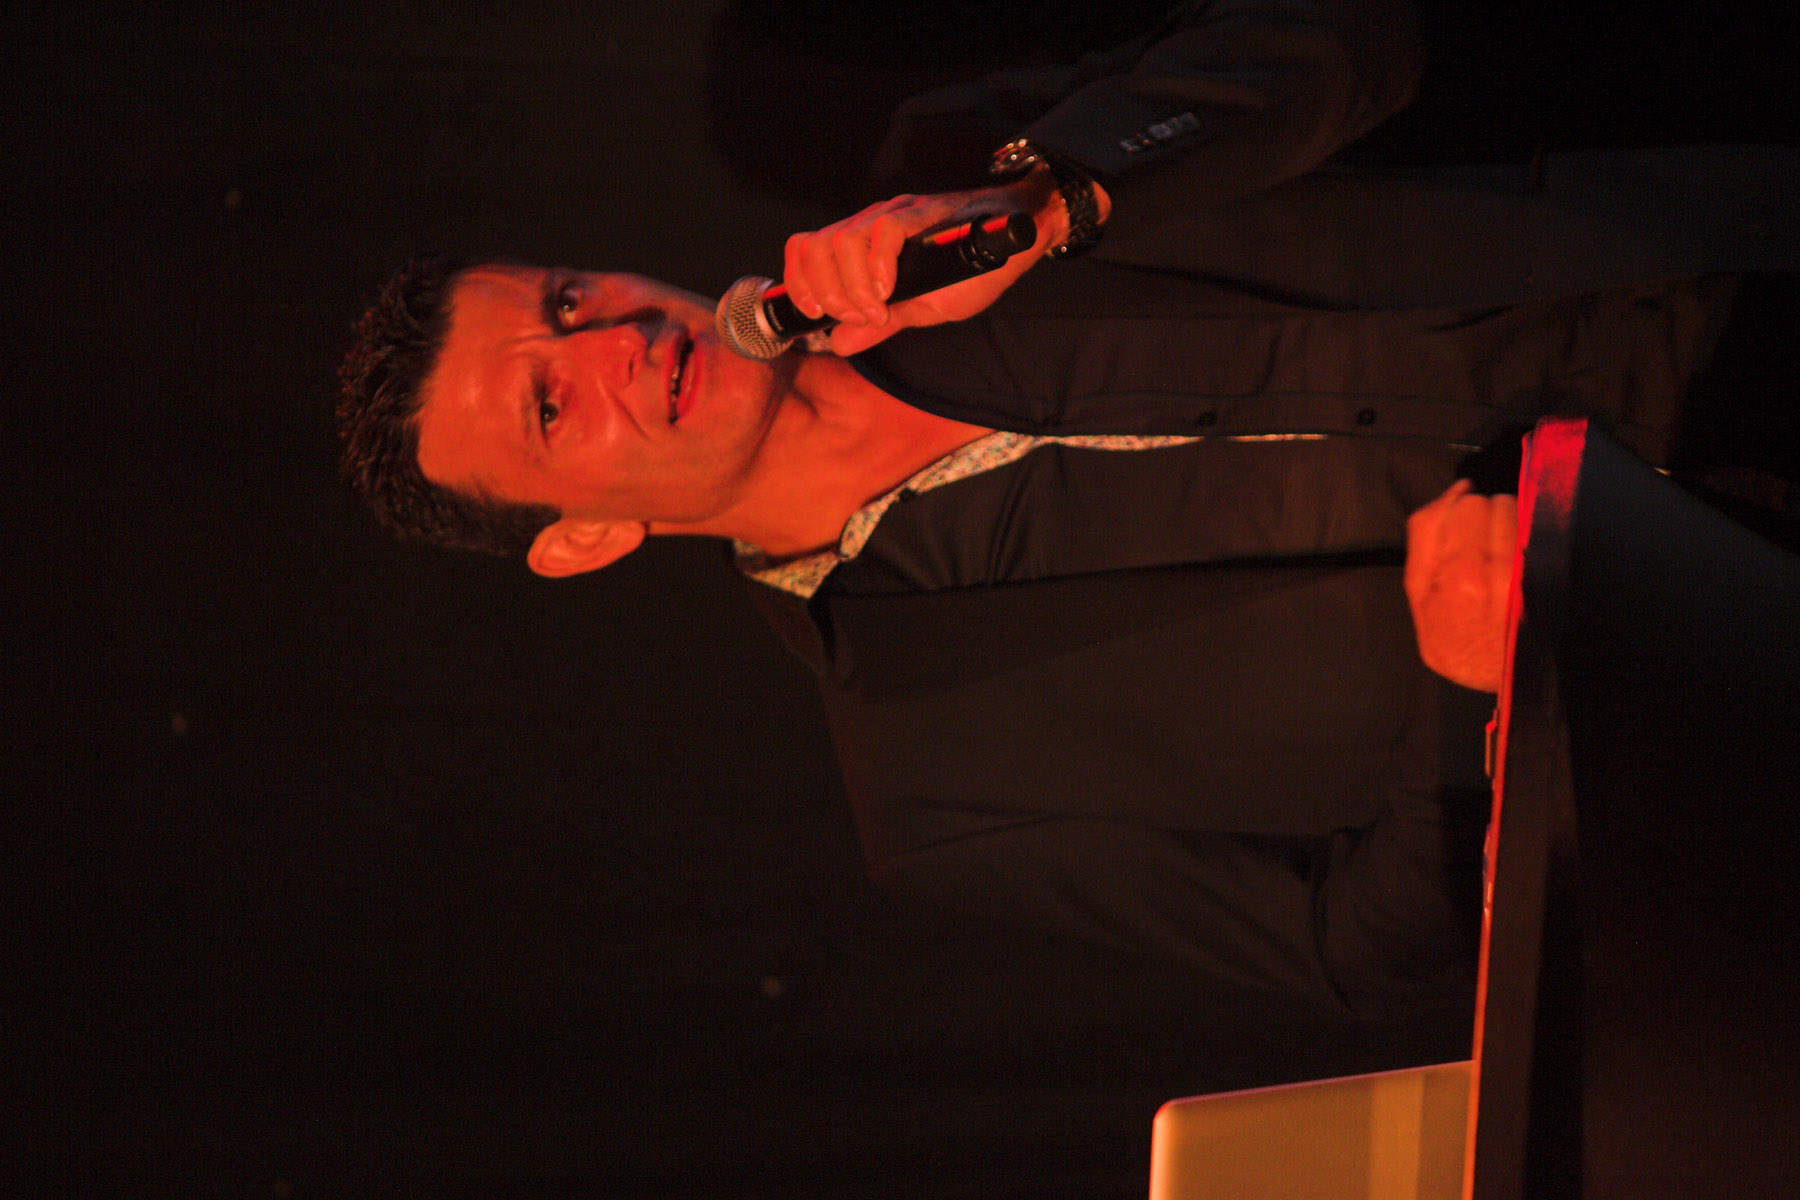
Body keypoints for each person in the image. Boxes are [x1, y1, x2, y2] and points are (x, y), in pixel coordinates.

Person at [337, 0, 1797, 1016]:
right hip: (1716, 658)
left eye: (566, 301)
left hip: (1727, 291)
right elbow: (1363, 944)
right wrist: (1457, 696)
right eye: (549, 407)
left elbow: (1359, 39)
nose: (610, 345)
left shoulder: (944, 177)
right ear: (584, 539)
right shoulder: (933, 787)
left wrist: (1056, 203)